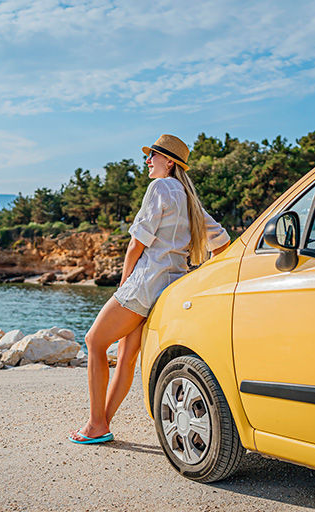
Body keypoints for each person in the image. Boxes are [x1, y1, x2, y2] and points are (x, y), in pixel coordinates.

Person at [69, 134, 230, 444]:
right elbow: (221, 243)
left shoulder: (160, 187)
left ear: (169, 162)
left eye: (153, 156)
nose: (147, 161)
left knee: (94, 341)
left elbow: (136, 244)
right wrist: (202, 276)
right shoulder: (189, 197)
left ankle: (95, 424)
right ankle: (100, 425)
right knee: (127, 357)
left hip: (144, 284)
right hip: (170, 288)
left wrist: (124, 283)